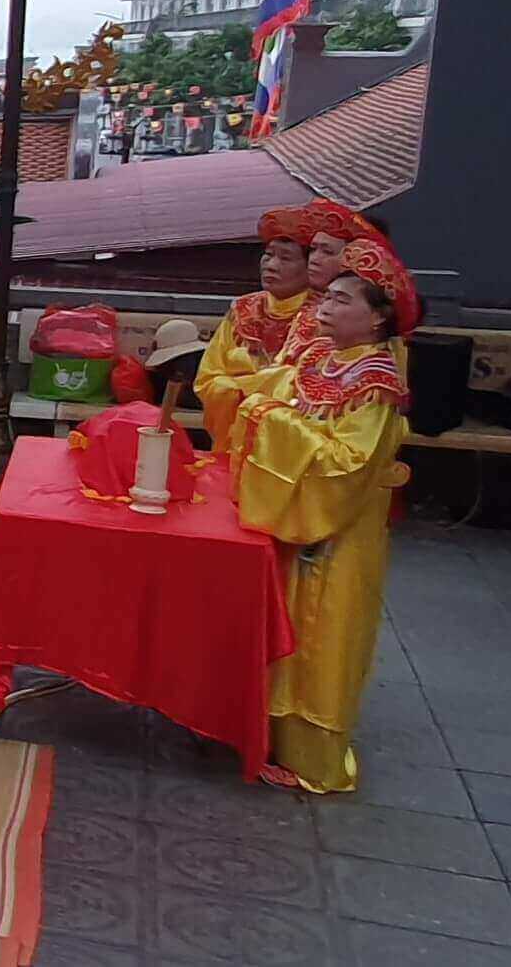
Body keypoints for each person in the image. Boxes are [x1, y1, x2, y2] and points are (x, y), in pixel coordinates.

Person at [228, 239, 417, 794]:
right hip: (295, 514)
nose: (325, 308)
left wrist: (275, 423)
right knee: (283, 624)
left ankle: (314, 759)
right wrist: (253, 396)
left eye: (341, 300)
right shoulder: (320, 358)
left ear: (377, 317)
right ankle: (264, 735)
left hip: (336, 527)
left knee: (324, 635)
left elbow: (346, 465)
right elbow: (272, 393)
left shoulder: (376, 384)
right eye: (326, 298)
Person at [194, 208, 316, 443]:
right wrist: (258, 385)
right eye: (269, 255)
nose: (271, 264)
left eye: (286, 258)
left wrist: (240, 385)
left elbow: (302, 388)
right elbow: (207, 380)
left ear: (311, 267)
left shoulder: (322, 316)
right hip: (232, 436)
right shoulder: (243, 309)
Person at [273, 198, 392, 366]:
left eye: (327, 252)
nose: (314, 259)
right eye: (313, 250)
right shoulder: (307, 311)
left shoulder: (367, 333)